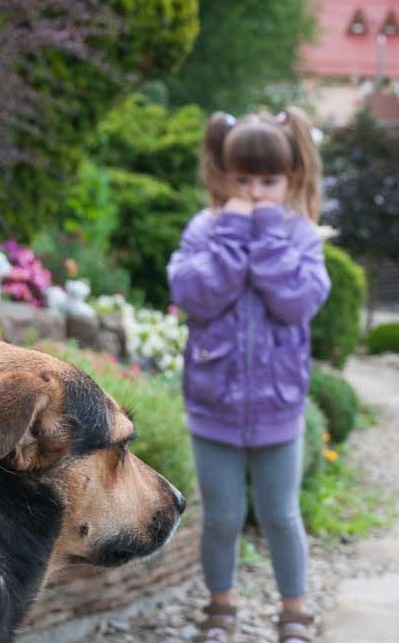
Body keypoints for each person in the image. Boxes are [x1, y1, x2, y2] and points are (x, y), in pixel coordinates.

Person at [167, 107, 331, 643]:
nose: (257, 191)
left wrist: (264, 240)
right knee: (221, 517)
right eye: (244, 179)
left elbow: (298, 303)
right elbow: (195, 295)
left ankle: (294, 612)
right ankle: (221, 608)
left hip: (278, 407)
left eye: (269, 181)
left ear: (292, 179)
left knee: (281, 515)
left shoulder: (301, 236)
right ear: (223, 175)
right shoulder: (207, 229)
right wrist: (236, 233)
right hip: (212, 404)